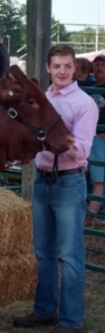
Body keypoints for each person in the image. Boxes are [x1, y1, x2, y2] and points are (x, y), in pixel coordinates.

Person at [13, 44, 99, 333]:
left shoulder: (84, 104)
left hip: (69, 180)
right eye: (56, 66)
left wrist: (59, 136)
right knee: (42, 251)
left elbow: (84, 149)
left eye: (67, 66)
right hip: (42, 179)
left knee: (70, 253)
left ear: (75, 68)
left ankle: (71, 322)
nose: (62, 71)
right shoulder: (42, 98)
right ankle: (45, 311)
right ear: (48, 68)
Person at [86, 55, 105, 223]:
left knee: (99, 180)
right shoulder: (89, 88)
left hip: (100, 140)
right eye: (96, 65)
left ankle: (90, 216)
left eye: (102, 65)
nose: (98, 68)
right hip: (88, 138)